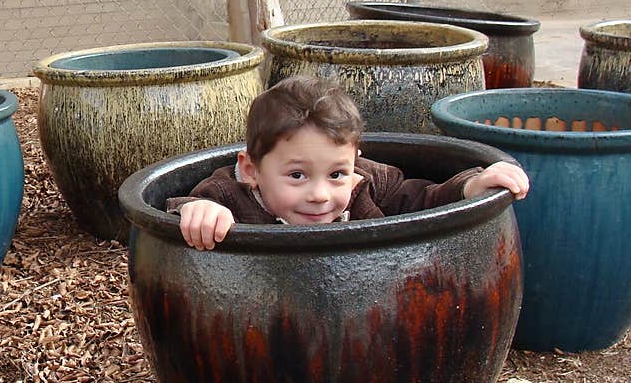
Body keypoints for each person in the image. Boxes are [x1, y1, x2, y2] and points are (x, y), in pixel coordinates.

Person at [166, 75, 529, 250]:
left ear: (355, 161)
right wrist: (200, 211)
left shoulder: (369, 182)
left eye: (337, 173)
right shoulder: (229, 193)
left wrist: (473, 185)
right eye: (297, 175)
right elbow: (175, 210)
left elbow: (425, 201)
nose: (321, 194)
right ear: (251, 170)